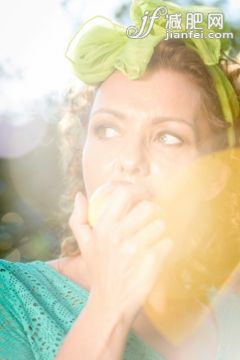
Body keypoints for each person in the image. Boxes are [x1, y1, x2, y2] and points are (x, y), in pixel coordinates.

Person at [1, 0, 240, 359]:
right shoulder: (10, 297)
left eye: (168, 137)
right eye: (108, 129)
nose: (129, 161)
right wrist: (110, 304)